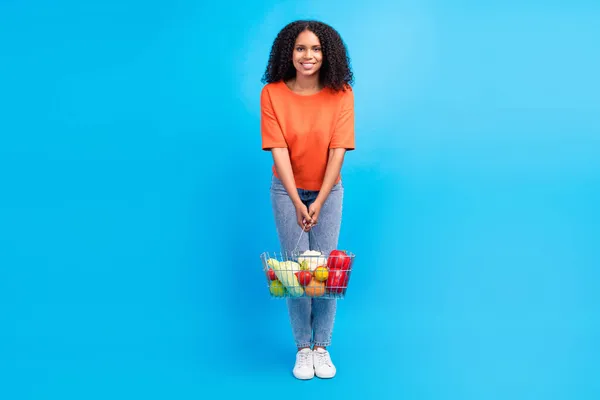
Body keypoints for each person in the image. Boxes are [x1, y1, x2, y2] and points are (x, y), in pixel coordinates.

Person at [259, 20, 355, 380]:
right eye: (301, 48)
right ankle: (302, 347)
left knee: (327, 272)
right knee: (296, 272)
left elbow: (339, 149)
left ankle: (322, 346)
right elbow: (278, 149)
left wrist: (320, 198)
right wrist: (299, 203)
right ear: (289, 52)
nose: (308, 56)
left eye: (315, 48)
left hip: (329, 190)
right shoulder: (272, 94)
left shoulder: (342, 93)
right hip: (286, 191)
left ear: (327, 53)